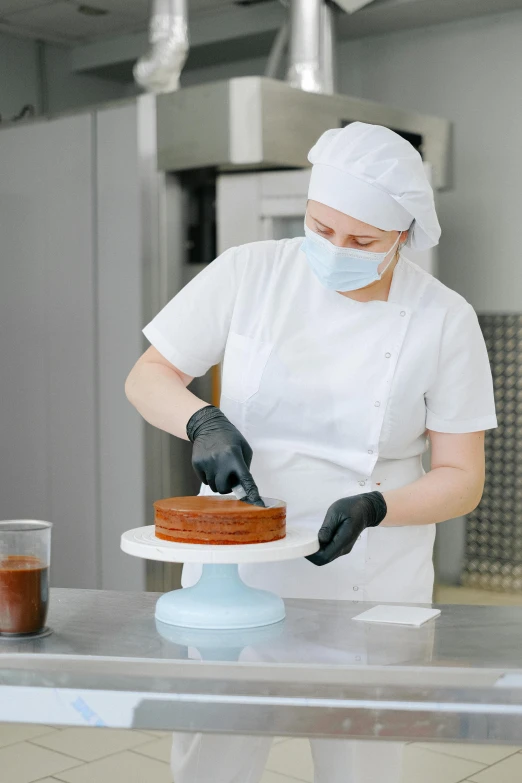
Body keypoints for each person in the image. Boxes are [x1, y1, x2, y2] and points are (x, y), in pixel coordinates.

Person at [125, 122, 497, 783]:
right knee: (214, 761)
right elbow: (147, 375)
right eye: (321, 228)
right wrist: (202, 420)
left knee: (361, 767)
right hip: (234, 578)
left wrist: (378, 505)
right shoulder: (250, 272)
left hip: (370, 579)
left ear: (402, 236)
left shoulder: (444, 319)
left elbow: (462, 477)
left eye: (362, 241)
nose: (335, 250)